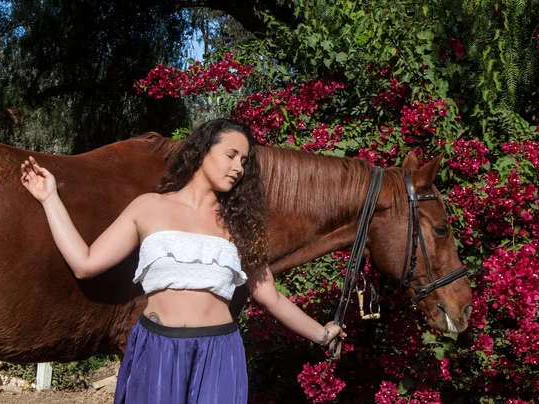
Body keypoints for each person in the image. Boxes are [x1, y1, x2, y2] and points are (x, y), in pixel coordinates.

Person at [21, 118, 346, 403]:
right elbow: (85, 262)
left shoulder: (239, 225)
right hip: (157, 351)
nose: (238, 168)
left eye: (244, 161)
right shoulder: (148, 207)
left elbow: (270, 296)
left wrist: (321, 333)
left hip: (219, 355)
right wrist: (50, 198)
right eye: (231, 155)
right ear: (202, 151)